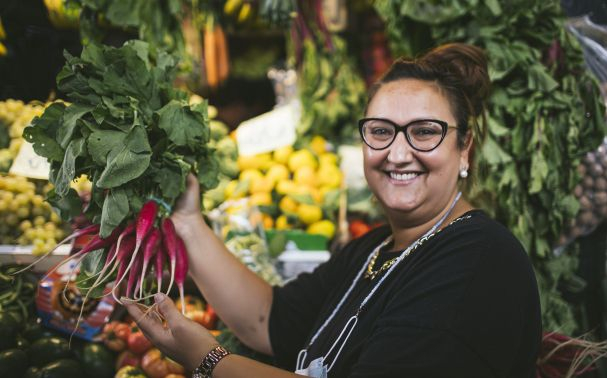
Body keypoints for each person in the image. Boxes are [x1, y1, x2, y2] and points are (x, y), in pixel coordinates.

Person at [124, 43, 542, 378]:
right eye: (380, 131)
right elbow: (269, 320)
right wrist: (188, 220)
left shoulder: (479, 261)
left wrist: (207, 359)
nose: (398, 153)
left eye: (424, 133)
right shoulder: (375, 248)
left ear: (464, 148)